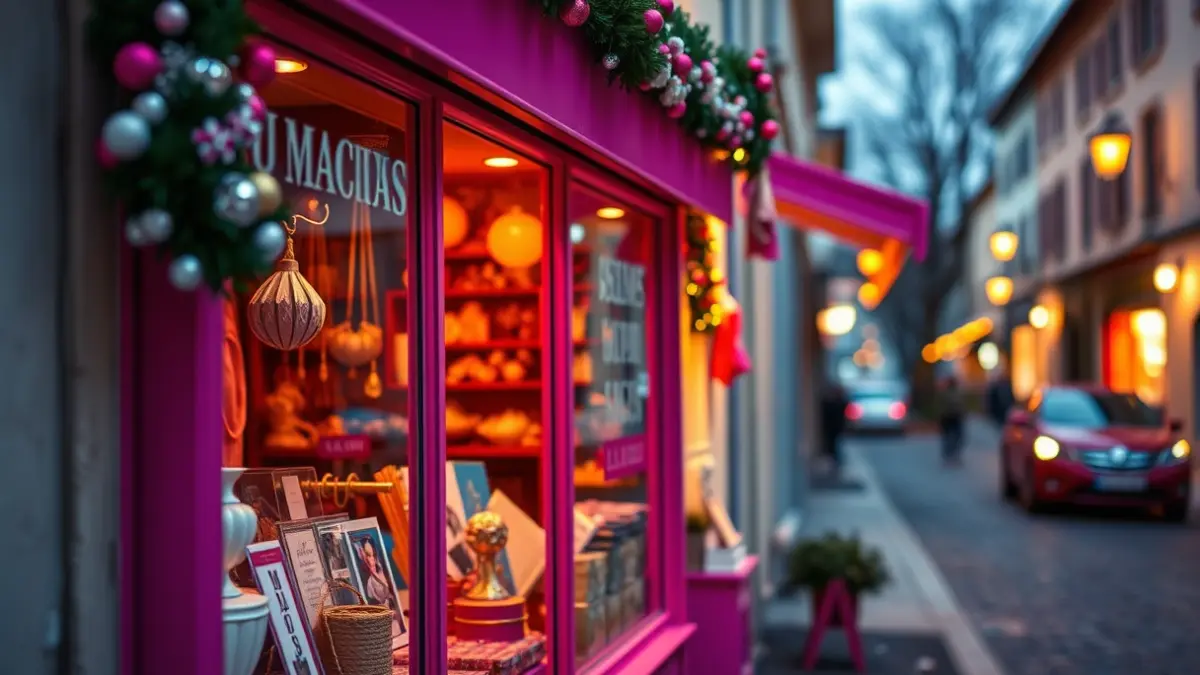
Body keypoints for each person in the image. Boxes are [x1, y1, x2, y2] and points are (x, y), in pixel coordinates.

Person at [820, 381, 849, 470]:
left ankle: (835, 459)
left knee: (834, 444)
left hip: (834, 427)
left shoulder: (835, 403)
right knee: (834, 443)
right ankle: (835, 459)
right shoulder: (836, 403)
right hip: (834, 427)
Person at [938, 376, 965, 464]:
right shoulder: (948, 393)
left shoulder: (956, 393)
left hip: (955, 418)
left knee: (956, 438)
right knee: (949, 438)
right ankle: (949, 455)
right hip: (949, 418)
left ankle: (952, 455)